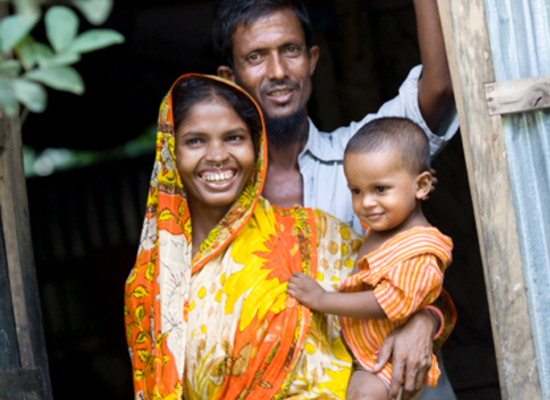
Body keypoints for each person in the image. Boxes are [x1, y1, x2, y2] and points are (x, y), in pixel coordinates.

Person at [212, 1, 459, 398]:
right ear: (230, 76)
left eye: (290, 50)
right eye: (256, 56)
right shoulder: (219, 200)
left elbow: (439, 87)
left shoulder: (369, 156)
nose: (277, 71)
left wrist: (427, 318)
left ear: (311, 60)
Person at [126, 73, 380, 400]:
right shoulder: (150, 284)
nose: (217, 155)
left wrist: (423, 323)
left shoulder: (311, 235)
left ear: (256, 144)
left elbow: (404, 293)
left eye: (233, 138)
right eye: (195, 141)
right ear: (169, 153)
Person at [287, 117, 455, 400]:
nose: (365, 203)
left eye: (380, 189)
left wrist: (322, 300)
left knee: (364, 395)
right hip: (361, 351)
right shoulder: (382, 227)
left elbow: (388, 301)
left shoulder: (422, 247)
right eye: (356, 191)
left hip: (388, 360)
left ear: (423, 185)